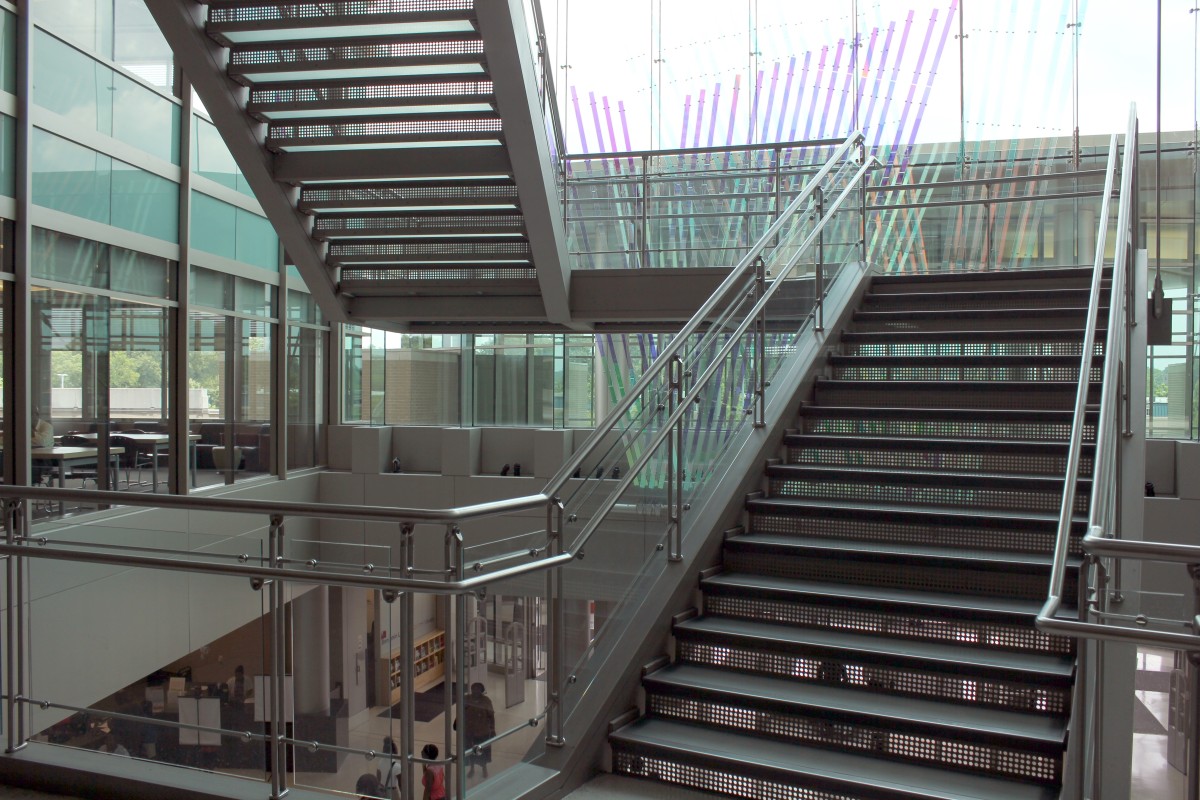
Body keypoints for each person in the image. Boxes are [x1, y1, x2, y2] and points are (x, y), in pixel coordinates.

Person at [463, 682, 495, 778]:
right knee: (470, 751)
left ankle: (484, 768)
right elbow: (461, 713)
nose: (475, 691)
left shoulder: (486, 701)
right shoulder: (467, 699)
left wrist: (492, 729)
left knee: (483, 751)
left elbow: (491, 716)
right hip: (469, 731)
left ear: (481, 690)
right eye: (474, 689)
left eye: (478, 689)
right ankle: (472, 768)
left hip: (482, 731)